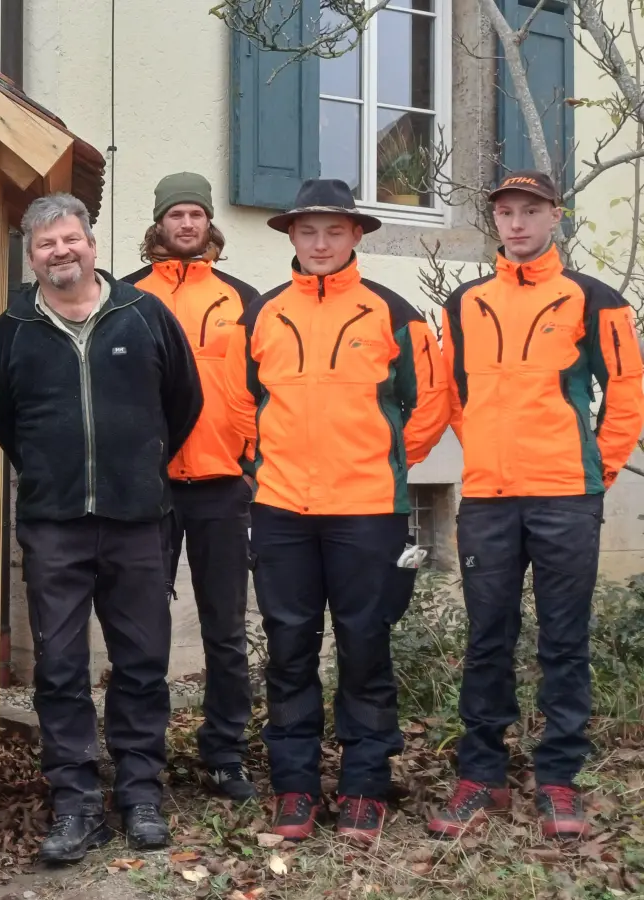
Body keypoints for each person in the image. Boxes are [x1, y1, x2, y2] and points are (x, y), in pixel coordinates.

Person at [222, 179, 449, 845]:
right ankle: (294, 788)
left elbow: (431, 402)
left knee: (365, 646)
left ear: (356, 236)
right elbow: (237, 403)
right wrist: (264, 463)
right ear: (291, 236)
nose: (320, 243)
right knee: (289, 650)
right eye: (308, 231)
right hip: (283, 509)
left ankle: (364, 788)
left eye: (334, 231)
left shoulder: (394, 312)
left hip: (368, 510)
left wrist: (386, 461)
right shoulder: (261, 314)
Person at [427, 171, 644, 842]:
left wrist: (593, 471)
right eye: (505, 213)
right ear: (495, 222)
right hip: (490, 497)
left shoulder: (594, 299)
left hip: (565, 498)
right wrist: (487, 450)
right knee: (486, 639)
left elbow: (627, 390)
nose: (517, 223)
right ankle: (482, 777)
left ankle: (557, 782)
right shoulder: (464, 302)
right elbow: (452, 392)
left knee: (563, 640)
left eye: (530, 211)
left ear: (555, 215)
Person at [0, 193, 203, 858]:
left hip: (139, 520)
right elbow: (5, 420)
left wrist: (136, 469)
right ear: (31, 257)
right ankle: (75, 804)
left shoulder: (144, 316)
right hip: (54, 527)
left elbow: (184, 403)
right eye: (47, 244)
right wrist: (55, 477)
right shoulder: (15, 328)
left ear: (92, 243)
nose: (61, 252)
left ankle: (140, 795)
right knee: (58, 667)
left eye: (70, 239)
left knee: (140, 665)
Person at [121, 173, 259, 802]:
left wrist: (252, 457)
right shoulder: (122, 297)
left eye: (196, 214)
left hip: (222, 484)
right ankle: (139, 760)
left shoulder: (244, 299)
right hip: (146, 489)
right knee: (141, 627)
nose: (186, 224)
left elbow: (266, 386)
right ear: (158, 224)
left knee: (225, 629)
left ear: (208, 225)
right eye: (175, 213)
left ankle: (225, 752)